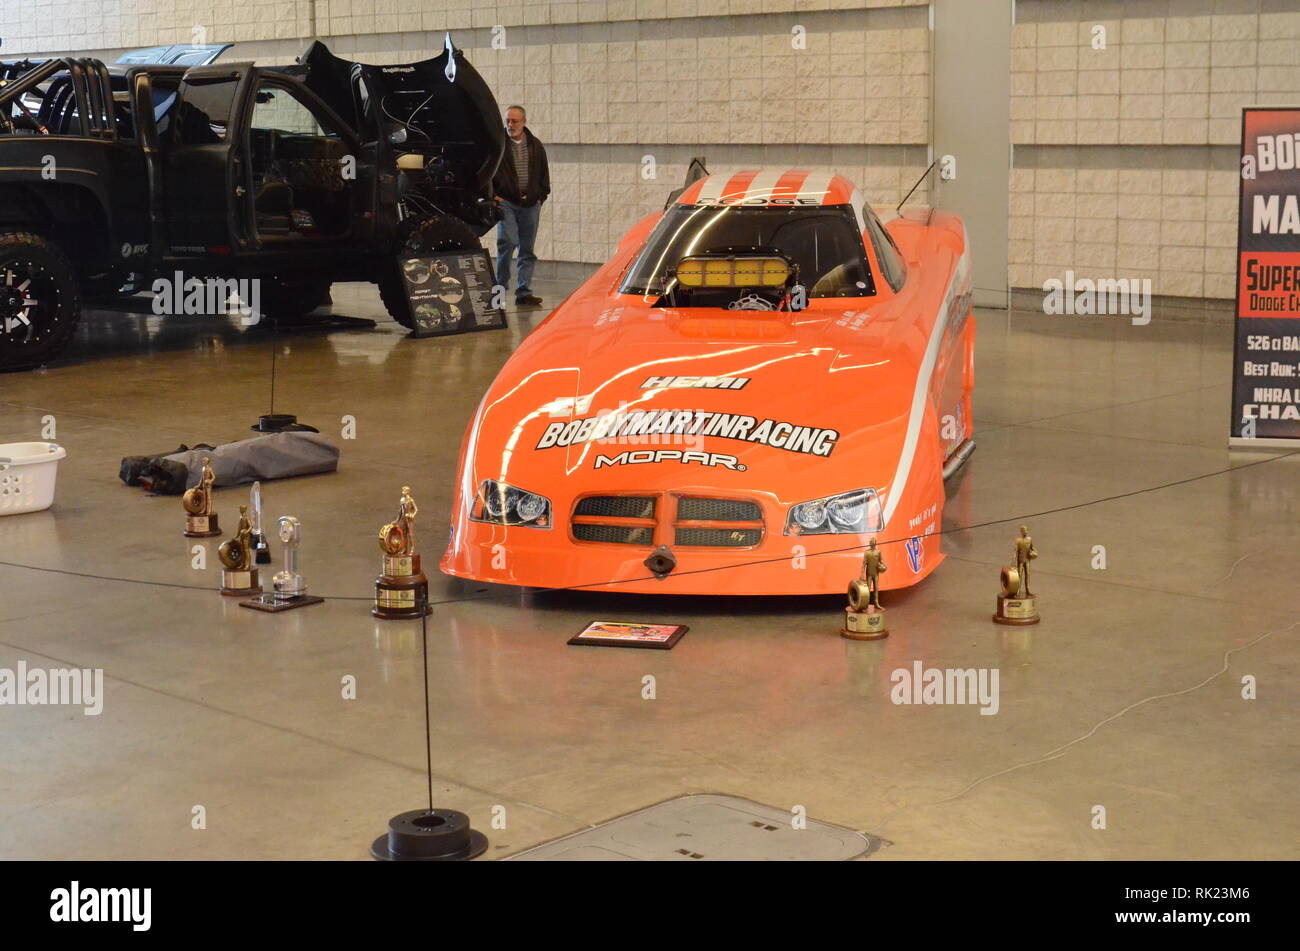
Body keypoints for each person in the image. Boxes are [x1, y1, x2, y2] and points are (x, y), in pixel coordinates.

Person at [493, 105, 550, 308]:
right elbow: (489, 172)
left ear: (524, 122)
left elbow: (544, 175)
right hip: (506, 203)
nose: (510, 125)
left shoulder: (535, 146)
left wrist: (540, 197)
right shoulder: (499, 145)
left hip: (531, 205)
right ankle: (499, 291)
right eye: (507, 120)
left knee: (527, 249)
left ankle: (524, 292)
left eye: (515, 121)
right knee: (507, 242)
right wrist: (495, 196)